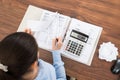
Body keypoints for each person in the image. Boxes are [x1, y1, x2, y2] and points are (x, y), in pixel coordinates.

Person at [0, 29, 66, 80]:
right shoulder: (47, 74)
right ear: (34, 65)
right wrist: (56, 52)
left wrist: (24, 43)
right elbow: (61, 78)